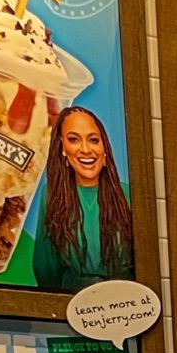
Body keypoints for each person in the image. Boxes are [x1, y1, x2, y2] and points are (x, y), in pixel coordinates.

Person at [32, 105, 136, 289]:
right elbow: (45, 268)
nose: (86, 149)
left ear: (104, 148)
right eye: (74, 140)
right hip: (74, 304)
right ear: (62, 148)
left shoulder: (128, 195)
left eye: (94, 140)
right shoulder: (51, 195)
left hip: (126, 305)